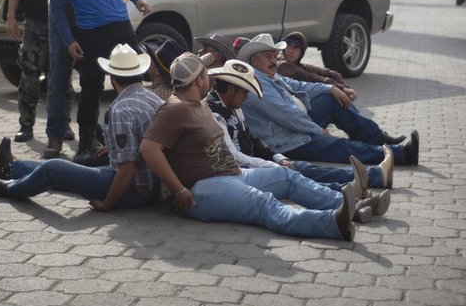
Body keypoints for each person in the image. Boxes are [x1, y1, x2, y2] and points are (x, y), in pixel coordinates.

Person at [139, 53, 364, 241]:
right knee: (263, 204)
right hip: (203, 188)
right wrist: (179, 190)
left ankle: (354, 205)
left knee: (286, 176)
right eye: (205, 74)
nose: (209, 77)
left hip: (231, 175)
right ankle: (333, 222)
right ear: (198, 80)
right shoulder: (174, 109)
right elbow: (149, 148)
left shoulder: (199, 102)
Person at [0, 43, 163, 210]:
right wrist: (114, 148)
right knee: (68, 172)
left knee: (54, 168)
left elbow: (128, 169)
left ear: (112, 77)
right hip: (146, 185)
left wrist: (107, 204)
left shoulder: (122, 109)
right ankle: (13, 167)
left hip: (133, 190)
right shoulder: (152, 98)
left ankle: (9, 188)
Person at [30, 0, 151, 163]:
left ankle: (142, 136)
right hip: (90, 31)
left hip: (120, 23)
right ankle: (85, 144)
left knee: (135, 77)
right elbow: (58, 7)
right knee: (91, 87)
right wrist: (69, 40)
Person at [207, 59, 394, 219]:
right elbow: (234, 156)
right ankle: (353, 198)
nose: (247, 96)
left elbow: (252, 138)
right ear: (230, 89)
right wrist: (274, 166)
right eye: (244, 92)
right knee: (296, 177)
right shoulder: (216, 113)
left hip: (252, 163)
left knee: (303, 171)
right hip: (240, 171)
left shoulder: (234, 105)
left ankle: (356, 192)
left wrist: (278, 158)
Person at [238, 33, 419, 166]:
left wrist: (331, 88)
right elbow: (286, 115)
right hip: (285, 142)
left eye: (274, 55)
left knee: (331, 99)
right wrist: (317, 130)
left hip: (294, 127)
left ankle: (376, 137)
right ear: (254, 61)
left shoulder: (269, 75)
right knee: (339, 147)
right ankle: (400, 154)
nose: (274, 60)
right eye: (267, 56)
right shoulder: (257, 84)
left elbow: (300, 85)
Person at [8, 0, 72, 144]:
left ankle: (64, 124)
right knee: (29, 76)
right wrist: (11, 17)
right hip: (34, 25)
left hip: (60, 27)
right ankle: (26, 125)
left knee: (61, 78)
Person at [277, 31, 363, 104]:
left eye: (295, 47)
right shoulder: (283, 65)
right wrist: (341, 89)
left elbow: (330, 73)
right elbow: (312, 78)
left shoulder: (299, 66)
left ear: (301, 52)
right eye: (288, 45)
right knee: (330, 97)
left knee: (338, 98)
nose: (290, 50)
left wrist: (345, 88)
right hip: (289, 106)